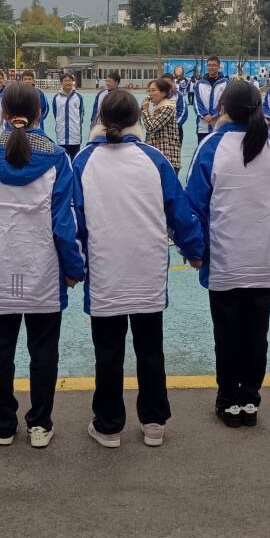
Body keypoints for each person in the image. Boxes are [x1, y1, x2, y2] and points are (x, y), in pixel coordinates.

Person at [73, 89, 204, 448]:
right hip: (147, 268)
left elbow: (75, 220)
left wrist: (73, 264)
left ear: (101, 118)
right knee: (150, 349)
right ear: (136, 118)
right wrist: (194, 249)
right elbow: (179, 211)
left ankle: (109, 425)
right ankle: (154, 421)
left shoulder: (84, 160)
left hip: (105, 269)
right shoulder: (153, 159)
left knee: (108, 351)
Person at [0, 82, 85, 447]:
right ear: (40, 112)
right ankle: (40, 424)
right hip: (43, 269)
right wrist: (73, 268)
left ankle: (3, 426)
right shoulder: (57, 158)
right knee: (43, 352)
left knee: (0, 351)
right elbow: (64, 222)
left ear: (2, 113)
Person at [185, 80, 270, 427]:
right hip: (264, 259)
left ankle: (229, 399)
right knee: (257, 333)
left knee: (227, 334)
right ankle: (250, 400)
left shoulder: (213, 145)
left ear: (223, 108)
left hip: (225, 259)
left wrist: (194, 249)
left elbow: (193, 204)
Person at [141, 77, 182, 171]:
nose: (150, 93)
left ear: (163, 93)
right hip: (158, 156)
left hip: (168, 158)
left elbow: (151, 127)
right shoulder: (157, 107)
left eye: (153, 90)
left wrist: (145, 111)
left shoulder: (167, 107)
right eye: (149, 91)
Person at [192, 56, 228, 142]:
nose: (211, 67)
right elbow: (197, 103)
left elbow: (227, 102)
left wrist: (215, 115)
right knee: (203, 149)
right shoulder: (199, 84)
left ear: (219, 66)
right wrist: (205, 115)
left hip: (220, 125)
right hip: (203, 127)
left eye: (214, 65)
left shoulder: (226, 83)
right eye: (209, 65)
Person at [52, 72, 86, 159]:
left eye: (70, 80)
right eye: (65, 81)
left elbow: (81, 115)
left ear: (72, 82)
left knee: (75, 160)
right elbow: (56, 114)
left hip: (75, 135)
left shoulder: (78, 97)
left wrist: (76, 125)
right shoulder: (56, 98)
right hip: (61, 135)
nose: (68, 83)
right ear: (61, 82)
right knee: (63, 161)